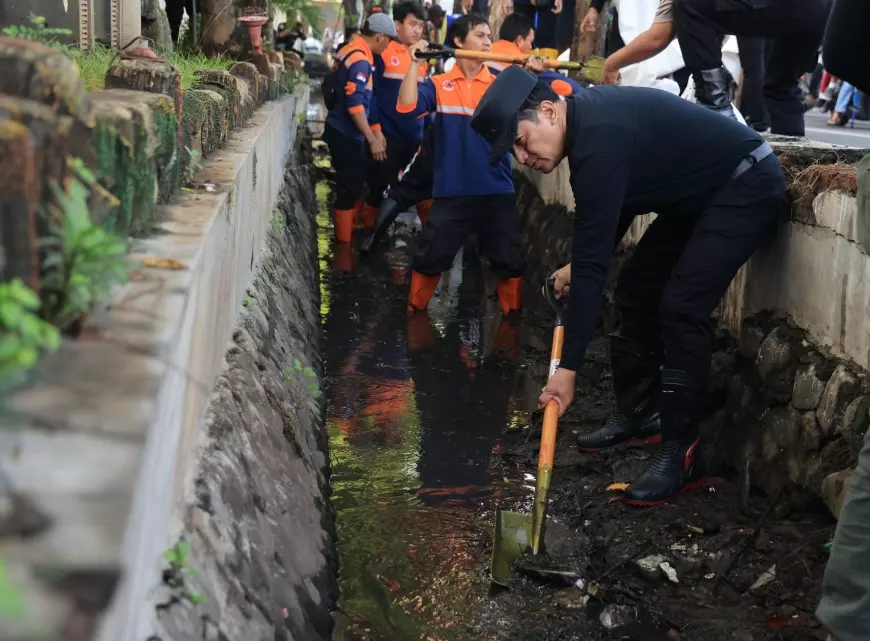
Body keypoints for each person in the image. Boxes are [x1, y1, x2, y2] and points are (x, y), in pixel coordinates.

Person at [471, 66, 786, 505]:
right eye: (513, 152)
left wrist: (568, 371)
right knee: (637, 286)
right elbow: (608, 219)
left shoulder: (597, 144)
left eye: (521, 141)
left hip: (744, 185)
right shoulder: (587, 131)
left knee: (682, 307)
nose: (522, 158)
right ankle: (642, 414)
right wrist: (576, 262)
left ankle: (682, 454)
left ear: (548, 111)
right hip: (699, 196)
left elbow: (594, 270)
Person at [397, 14, 526, 316]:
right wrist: (414, 64)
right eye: (480, 35)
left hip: (497, 191)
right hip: (452, 192)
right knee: (431, 258)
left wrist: (531, 71)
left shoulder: (499, 86)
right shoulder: (439, 85)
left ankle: (511, 324)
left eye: (488, 36)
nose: (487, 42)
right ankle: (414, 317)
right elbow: (406, 108)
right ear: (458, 41)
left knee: (509, 260)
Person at [672, 0, 831, 136]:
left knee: (688, 4)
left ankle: (716, 108)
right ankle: (793, 159)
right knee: (780, 88)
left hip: (790, 8)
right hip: (819, 9)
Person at [323, 13, 394, 244]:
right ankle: (344, 248)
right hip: (345, 132)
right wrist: (372, 139)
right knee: (350, 187)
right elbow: (355, 105)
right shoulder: (361, 60)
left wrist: (376, 129)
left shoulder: (351, 50)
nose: (389, 45)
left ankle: (350, 232)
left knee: (353, 182)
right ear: (380, 37)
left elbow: (367, 100)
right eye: (389, 40)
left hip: (341, 128)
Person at [362, 1, 430, 230]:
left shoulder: (423, 57)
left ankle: (427, 239)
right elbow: (371, 94)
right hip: (388, 136)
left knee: (420, 189)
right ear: (397, 24)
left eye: (420, 25)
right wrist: (375, 131)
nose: (417, 30)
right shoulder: (383, 51)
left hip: (415, 136)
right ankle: (368, 239)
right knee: (378, 188)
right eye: (412, 24)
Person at [489, 13, 581, 96]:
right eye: (530, 42)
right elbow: (569, 86)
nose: (530, 47)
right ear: (520, 40)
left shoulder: (484, 54)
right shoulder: (525, 62)